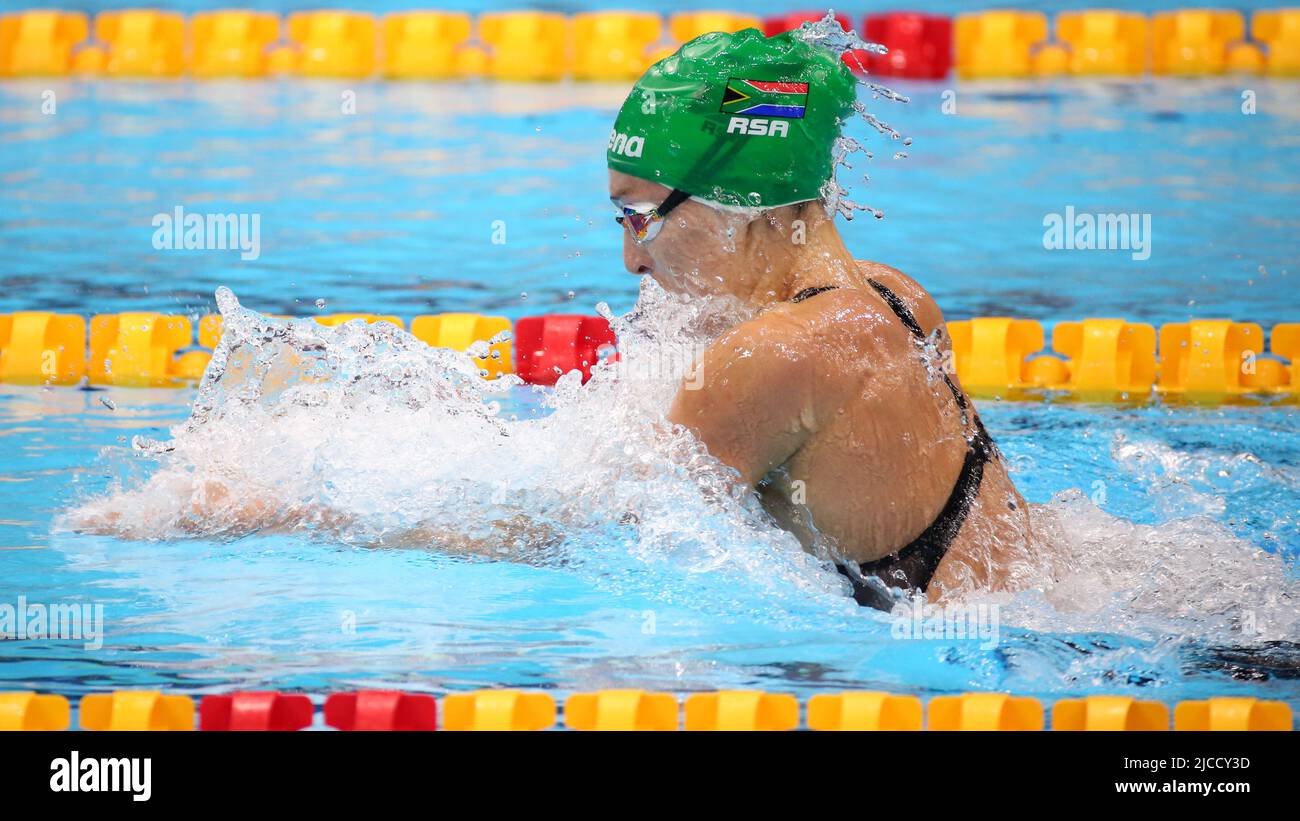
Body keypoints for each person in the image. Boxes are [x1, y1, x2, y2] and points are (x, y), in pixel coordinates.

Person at [607, 28, 1035, 609]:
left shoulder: (771, 356)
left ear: (742, 207)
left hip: (954, 667)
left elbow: (616, 538)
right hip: (1047, 615)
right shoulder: (897, 295)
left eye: (640, 218)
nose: (634, 259)